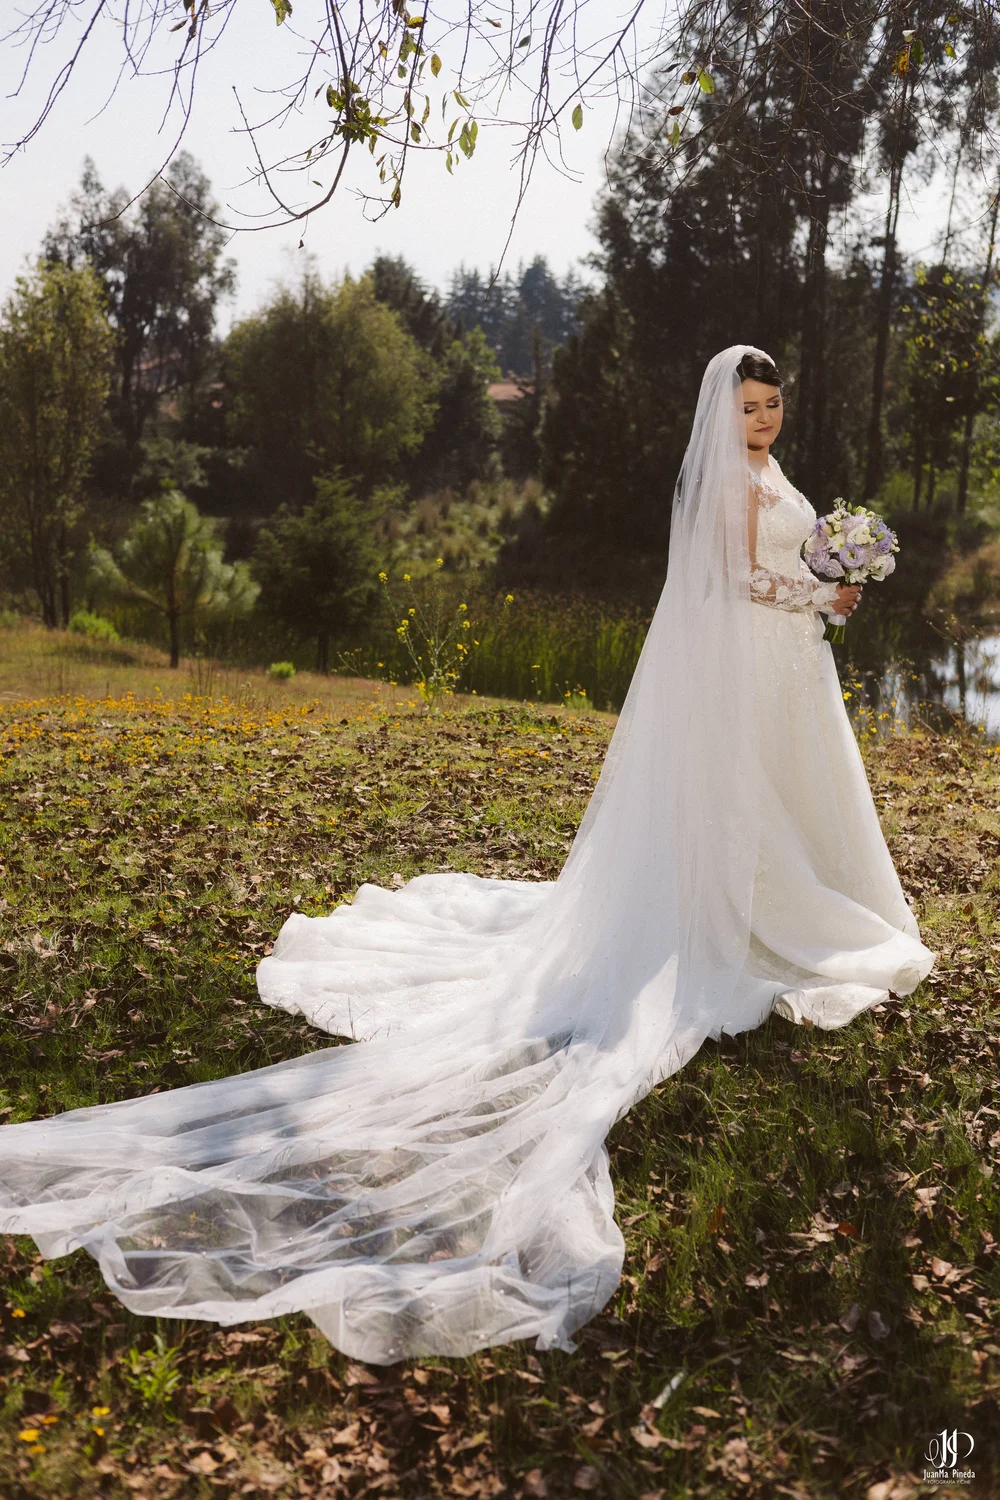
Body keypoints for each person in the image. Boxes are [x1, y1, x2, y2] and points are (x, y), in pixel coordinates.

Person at [0, 345, 933, 1367]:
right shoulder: (725, 481)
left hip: (786, 666)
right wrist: (821, 595)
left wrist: (832, 573)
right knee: (744, 805)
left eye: (773, 404)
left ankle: (803, 894)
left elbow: (781, 563)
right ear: (724, 412)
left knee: (794, 792)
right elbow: (738, 577)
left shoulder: (772, 472)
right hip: (754, 656)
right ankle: (753, 909)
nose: (763, 420)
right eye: (750, 407)